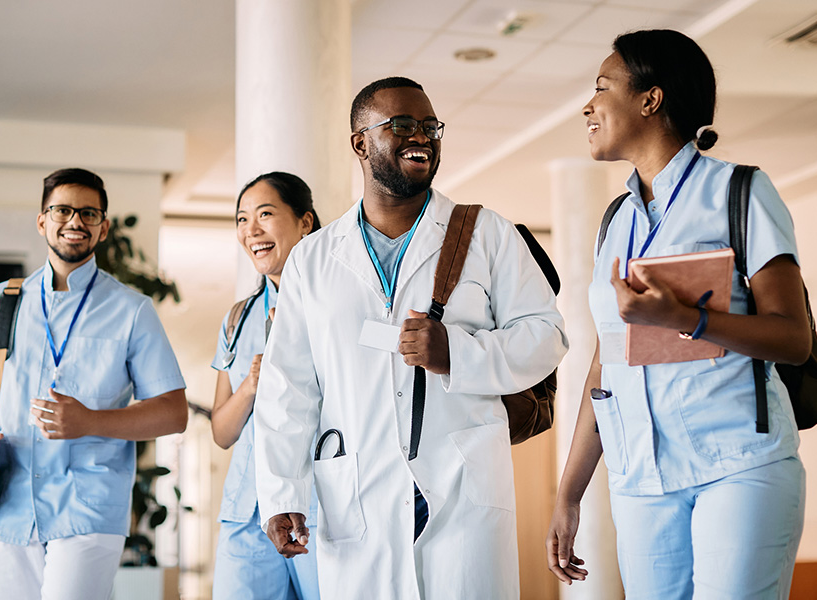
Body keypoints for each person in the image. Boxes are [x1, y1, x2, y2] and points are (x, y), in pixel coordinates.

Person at [253, 76, 568, 599]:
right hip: (357, 493)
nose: (421, 136)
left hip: (462, 491)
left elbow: (547, 336)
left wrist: (457, 353)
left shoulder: (487, 234)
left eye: (430, 126)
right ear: (361, 143)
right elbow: (289, 385)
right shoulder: (313, 258)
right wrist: (282, 490)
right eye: (402, 125)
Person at [546, 29, 809, 599]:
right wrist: (568, 494)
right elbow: (604, 369)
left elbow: (794, 338)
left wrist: (685, 317)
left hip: (738, 464)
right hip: (641, 478)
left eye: (602, 86)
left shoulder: (739, 191)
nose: (588, 105)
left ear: (651, 99)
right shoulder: (615, 221)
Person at [0, 167, 188, 600]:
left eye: (89, 213)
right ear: (42, 220)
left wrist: (89, 421)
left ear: (103, 228)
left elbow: (173, 412)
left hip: (88, 509)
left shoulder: (132, 310)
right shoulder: (1, 302)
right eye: (62, 209)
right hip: (7, 505)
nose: (75, 221)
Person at [210, 171, 321, 600]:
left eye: (265, 214)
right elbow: (221, 433)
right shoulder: (237, 319)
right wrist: (253, 385)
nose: (250, 230)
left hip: (316, 510)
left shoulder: (334, 306)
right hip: (247, 514)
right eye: (241, 219)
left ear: (305, 222)